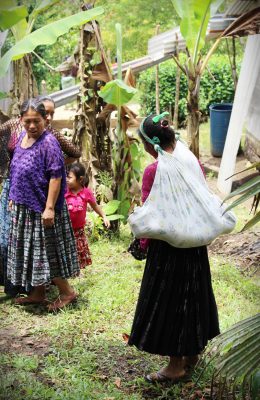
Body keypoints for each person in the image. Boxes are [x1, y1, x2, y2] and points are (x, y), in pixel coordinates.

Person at [128, 113, 220, 382]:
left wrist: (142, 243)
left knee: (170, 302)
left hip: (168, 248)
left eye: (143, 141)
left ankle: (175, 366)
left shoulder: (154, 171)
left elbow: (151, 212)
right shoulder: (191, 161)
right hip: (194, 245)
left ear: (150, 144)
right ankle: (192, 354)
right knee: (193, 296)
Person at [0, 95, 81, 296]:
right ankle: (37, 294)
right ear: (20, 120)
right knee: (32, 252)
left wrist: (50, 208)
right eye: (27, 121)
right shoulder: (21, 138)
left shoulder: (49, 143)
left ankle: (67, 292)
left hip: (42, 207)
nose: (32, 125)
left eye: (37, 120)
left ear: (45, 119)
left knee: (46, 252)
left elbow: (55, 176)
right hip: (23, 206)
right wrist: (13, 196)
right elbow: (16, 170)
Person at [65, 162, 110, 269]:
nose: (66, 179)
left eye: (69, 177)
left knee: (78, 251)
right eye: (66, 176)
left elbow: (95, 206)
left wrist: (104, 216)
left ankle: (76, 270)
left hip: (78, 230)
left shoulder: (86, 193)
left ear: (80, 179)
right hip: (65, 230)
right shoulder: (64, 191)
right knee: (66, 251)